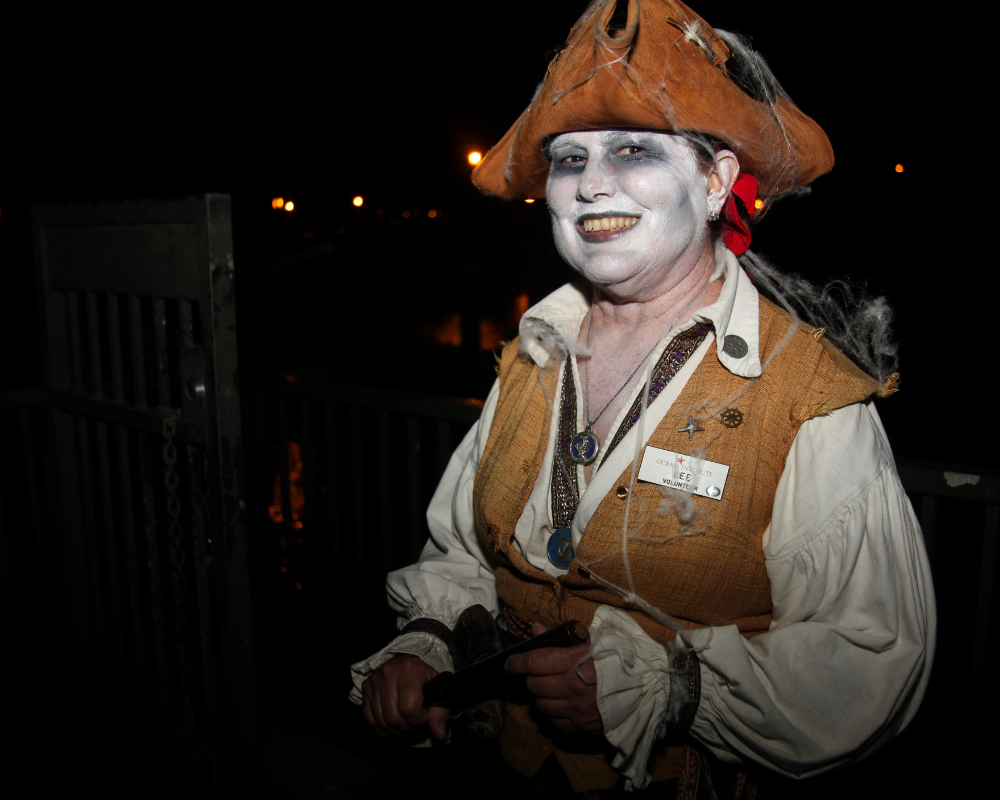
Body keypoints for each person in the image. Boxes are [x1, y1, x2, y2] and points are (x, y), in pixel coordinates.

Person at [350, 1, 935, 796]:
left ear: (715, 177)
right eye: (568, 159)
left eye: (633, 150)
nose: (593, 186)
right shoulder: (535, 351)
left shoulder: (808, 395)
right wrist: (428, 640)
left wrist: (671, 686)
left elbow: (871, 661)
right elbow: (464, 551)